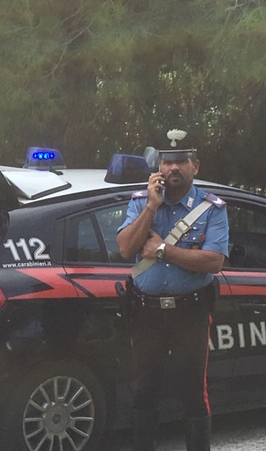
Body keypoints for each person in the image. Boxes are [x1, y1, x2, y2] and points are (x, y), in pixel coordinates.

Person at [116, 130, 229, 451]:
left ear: (195, 166)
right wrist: (151, 207)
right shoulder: (141, 202)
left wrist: (163, 250)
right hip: (146, 313)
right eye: (167, 162)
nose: (173, 168)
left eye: (181, 161)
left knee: (193, 393)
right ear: (159, 167)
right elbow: (126, 249)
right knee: (144, 390)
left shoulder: (212, 208)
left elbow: (214, 261)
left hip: (190, 313)